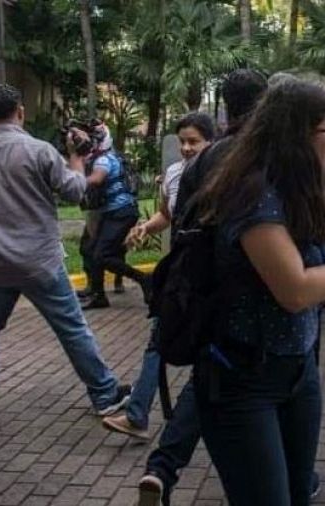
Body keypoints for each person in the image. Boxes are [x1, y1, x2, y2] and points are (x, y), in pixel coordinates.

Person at [192, 79, 325, 506]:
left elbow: (313, 261)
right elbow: (295, 290)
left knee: (300, 493)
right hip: (244, 382)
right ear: (299, 133)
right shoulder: (257, 195)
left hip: (297, 374)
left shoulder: (294, 190)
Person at [134, 69, 268, 506]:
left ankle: (163, 467)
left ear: (226, 107)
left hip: (198, 292)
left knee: (208, 382)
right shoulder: (259, 156)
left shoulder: (200, 163)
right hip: (250, 299)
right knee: (237, 390)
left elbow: (182, 221)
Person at [0, 83, 131, 414]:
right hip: (40, 261)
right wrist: (77, 158)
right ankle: (105, 395)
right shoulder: (38, 151)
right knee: (71, 328)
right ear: (20, 112)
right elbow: (74, 192)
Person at [101, 112, 216, 441]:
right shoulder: (174, 174)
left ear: (211, 141)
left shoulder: (222, 173)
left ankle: (145, 415)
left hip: (208, 273)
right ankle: (139, 413)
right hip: (182, 272)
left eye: (194, 141)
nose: (186, 148)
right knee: (160, 339)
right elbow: (167, 214)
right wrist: (144, 228)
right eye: (182, 141)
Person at [79, 121, 151, 309]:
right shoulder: (103, 157)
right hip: (113, 212)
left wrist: (71, 180)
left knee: (102, 255)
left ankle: (143, 278)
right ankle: (99, 295)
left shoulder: (104, 159)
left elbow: (96, 179)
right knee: (93, 251)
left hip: (121, 212)